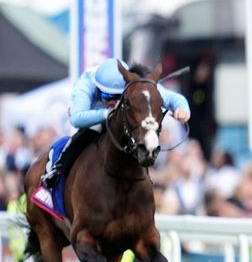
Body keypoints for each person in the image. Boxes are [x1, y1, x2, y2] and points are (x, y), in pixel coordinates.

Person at [40, 58, 191, 189]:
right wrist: (108, 113)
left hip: (122, 120)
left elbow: (173, 98)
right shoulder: (86, 85)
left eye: (118, 96)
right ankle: (57, 170)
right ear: (98, 90)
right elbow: (77, 118)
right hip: (94, 116)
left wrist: (182, 109)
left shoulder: (133, 81)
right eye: (107, 96)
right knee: (87, 133)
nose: (113, 101)